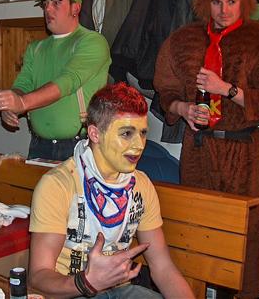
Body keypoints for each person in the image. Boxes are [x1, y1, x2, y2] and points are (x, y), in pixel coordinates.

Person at [153, 0, 259, 298]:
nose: (224, 10)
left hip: (242, 152)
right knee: (194, 229)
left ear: (243, 2)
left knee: (242, 233)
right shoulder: (184, 40)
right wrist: (184, 109)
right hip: (197, 148)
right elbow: (165, 92)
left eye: (231, 1)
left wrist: (227, 89)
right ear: (206, 4)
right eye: (217, 2)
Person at [28, 82, 193, 298]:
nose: (139, 145)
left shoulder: (141, 185)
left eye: (143, 133)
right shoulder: (58, 184)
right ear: (95, 134)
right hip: (72, 292)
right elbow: (38, 277)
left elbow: (163, 268)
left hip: (121, 291)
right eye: (126, 134)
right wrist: (87, 283)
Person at [0, 0, 111, 161]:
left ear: (75, 8)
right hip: (38, 145)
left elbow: (68, 81)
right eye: (45, 4)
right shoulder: (36, 48)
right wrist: (11, 106)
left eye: (56, 2)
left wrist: (22, 103)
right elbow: (23, 85)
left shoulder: (92, 42)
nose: (48, 9)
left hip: (79, 146)